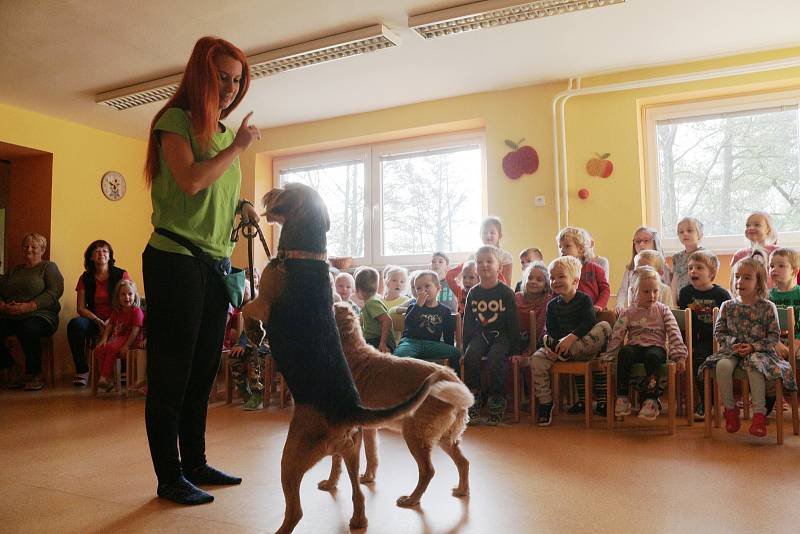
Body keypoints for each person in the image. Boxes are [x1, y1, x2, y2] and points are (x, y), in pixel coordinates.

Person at [141, 36, 261, 505]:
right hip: (175, 258)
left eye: (237, 80)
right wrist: (241, 149)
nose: (231, 88)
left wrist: (243, 203)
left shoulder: (228, 134)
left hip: (215, 263)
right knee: (172, 373)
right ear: (200, 75)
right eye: (222, 78)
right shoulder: (175, 121)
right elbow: (191, 181)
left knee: (203, 370)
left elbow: (217, 191)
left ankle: (194, 463)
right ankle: (169, 477)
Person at [700, 258, 796, 437]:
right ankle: (730, 411)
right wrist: (735, 343)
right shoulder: (727, 306)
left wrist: (753, 346)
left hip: (760, 353)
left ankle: (759, 415)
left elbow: (774, 336)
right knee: (722, 366)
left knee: (754, 366)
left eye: (746, 278)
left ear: (758, 283)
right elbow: (719, 332)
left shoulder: (767, 307)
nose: (739, 281)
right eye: (737, 276)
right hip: (733, 350)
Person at [530, 255, 611, 426]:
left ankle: (567, 351)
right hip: (561, 349)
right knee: (537, 357)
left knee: (604, 326)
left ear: (575, 281)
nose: (555, 281)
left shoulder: (584, 299)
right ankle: (545, 403)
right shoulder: (552, 305)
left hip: (583, 346)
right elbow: (552, 331)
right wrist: (552, 349)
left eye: (561, 276)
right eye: (552, 278)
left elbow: (588, 322)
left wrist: (571, 339)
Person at [601, 266, 687, 420]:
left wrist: (679, 356)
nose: (652, 295)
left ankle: (651, 400)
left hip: (656, 348)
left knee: (652, 356)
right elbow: (617, 335)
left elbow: (674, 332)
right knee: (625, 353)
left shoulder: (663, 310)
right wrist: (609, 356)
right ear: (635, 292)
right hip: (635, 347)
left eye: (655, 291)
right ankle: (622, 397)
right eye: (646, 292)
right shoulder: (629, 312)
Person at [556, 226, 611, 416]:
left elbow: (605, 289)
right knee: (579, 359)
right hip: (575, 322)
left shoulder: (593, 268)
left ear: (580, 249)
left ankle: (603, 401)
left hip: (594, 318)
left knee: (598, 360)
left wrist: (600, 305)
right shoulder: (563, 270)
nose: (562, 250)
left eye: (567, 246)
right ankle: (583, 400)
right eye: (560, 247)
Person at [463, 245, 520, 426]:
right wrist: (465, 346)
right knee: (471, 355)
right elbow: (469, 322)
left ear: (499, 267)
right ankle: (474, 397)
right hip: (481, 334)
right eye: (480, 262)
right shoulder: (473, 292)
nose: (484, 265)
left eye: (489, 261)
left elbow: (513, 323)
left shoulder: (506, 293)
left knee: (496, 357)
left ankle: (497, 398)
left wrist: (515, 348)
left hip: (501, 335)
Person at [0, 233, 64, 390]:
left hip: (41, 315)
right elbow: (1, 291)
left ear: (42, 250)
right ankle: (11, 366)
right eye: (25, 246)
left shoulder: (48, 267)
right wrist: (3, 306)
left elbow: (55, 291)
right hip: (11, 315)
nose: (29, 249)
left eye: (33, 246)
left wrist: (29, 306)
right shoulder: (14, 270)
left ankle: (35, 374)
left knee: (28, 328)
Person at [67, 240, 130, 387]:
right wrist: (97, 320)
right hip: (94, 320)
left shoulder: (121, 274)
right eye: (97, 251)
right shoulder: (85, 278)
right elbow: (81, 308)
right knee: (74, 325)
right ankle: (82, 370)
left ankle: (121, 373)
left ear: (110, 256)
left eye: (105, 251)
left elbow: (130, 299)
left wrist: (111, 321)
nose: (101, 253)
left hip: (118, 319)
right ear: (90, 257)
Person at [677, 250, 731, 420]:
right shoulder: (685, 293)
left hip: (716, 340)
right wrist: (685, 344)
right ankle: (705, 400)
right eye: (690, 268)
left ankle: (710, 401)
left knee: (703, 358)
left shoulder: (721, 295)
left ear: (712, 273)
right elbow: (685, 323)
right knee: (696, 357)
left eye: (699, 267)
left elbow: (729, 323)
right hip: (694, 339)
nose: (693, 271)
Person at [394, 270, 460, 370]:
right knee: (398, 357)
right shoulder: (413, 307)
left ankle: (453, 382)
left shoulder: (445, 311)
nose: (422, 290)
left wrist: (448, 347)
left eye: (427, 286)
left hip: (432, 344)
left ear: (438, 288)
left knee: (455, 353)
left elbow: (448, 332)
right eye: (418, 288)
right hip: (411, 342)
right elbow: (408, 323)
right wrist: (418, 306)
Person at [227, 268, 270, 410]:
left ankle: (258, 392)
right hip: (253, 341)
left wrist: (247, 344)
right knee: (234, 356)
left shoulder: (268, 305)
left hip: (269, 343)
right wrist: (241, 344)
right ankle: (245, 391)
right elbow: (248, 329)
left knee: (256, 355)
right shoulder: (250, 307)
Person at [95, 280, 145, 392]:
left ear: (135, 296)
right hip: (117, 340)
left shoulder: (136, 311)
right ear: (118, 297)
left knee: (111, 347)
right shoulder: (117, 311)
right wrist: (104, 339)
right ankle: (109, 378)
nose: (127, 297)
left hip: (131, 341)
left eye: (130, 294)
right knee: (100, 349)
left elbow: (135, 331)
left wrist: (127, 346)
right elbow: (110, 326)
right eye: (123, 294)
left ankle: (105, 377)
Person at [617, 227, 671, 309]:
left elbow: (666, 291)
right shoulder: (630, 270)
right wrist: (619, 305)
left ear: (654, 242)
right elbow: (623, 290)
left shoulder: (662, 267)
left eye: (646, 241)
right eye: (638, 241)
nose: (641, 244)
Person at [729, 212, 779, 291]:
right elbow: (733, 280)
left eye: (757, 225)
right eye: (747, 225)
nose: (751, 227)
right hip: (747, 297)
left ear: (768, 230)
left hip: (772, 295)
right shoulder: (739, 255)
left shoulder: (776, 251)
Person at [355, 266, 395, 353]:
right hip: (373, 339)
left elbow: (387, 320)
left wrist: (383, 343)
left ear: (357, 289)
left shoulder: (371, 303)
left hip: (377, 340)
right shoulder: (373, 300)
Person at [515, 261, 552, 351]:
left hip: (540, 340)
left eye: (539, 280)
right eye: (530, 278)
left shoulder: (548, 300)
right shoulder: (516, 297)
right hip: (518, 339)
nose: (533, 282)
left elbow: (544, 326)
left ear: (545, 285)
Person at [670, 217, 704, 305]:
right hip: (681, 300)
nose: (685, 233)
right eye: (681, 232)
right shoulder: (677, 257)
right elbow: (674, 281)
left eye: (689, 230)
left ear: (699, 234)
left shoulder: (704, 255)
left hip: (698, 300)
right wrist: (674, 303)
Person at [473, 216, 513, 284]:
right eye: (485, 233)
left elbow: (507, 283)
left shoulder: (505, 256)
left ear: (499, 235)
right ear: (480, 235)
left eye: (492, 233)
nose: (488, 235)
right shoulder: (476, 255)